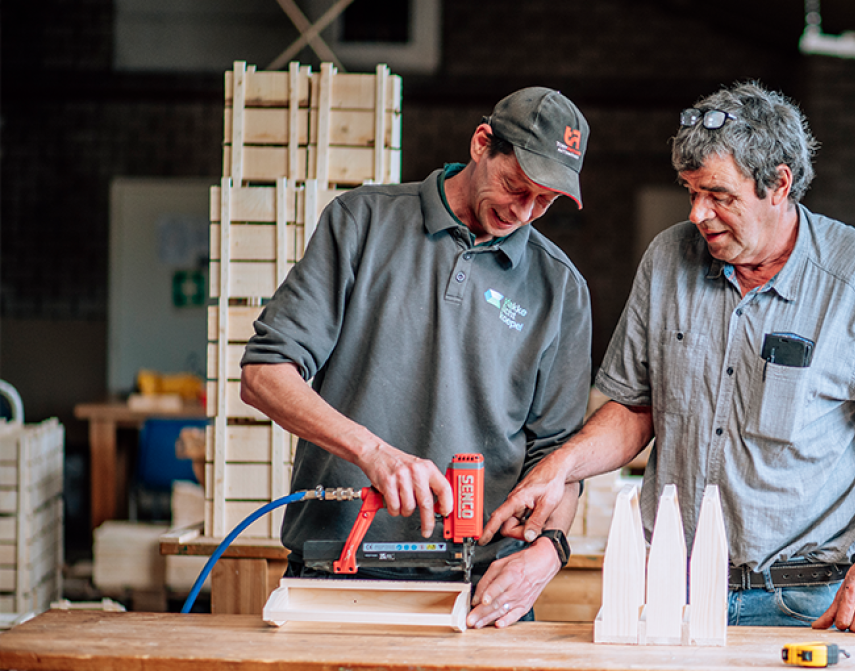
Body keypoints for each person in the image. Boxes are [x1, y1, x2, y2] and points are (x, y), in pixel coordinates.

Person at [485, 82, 855, 634]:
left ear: (778, 184)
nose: (699, 214)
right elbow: (635, 409)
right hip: (669, 591)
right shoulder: (667, 258)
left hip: (801, 601)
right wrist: (560, 466)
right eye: (690, 191)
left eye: (719, 195)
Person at [239, 87, 593, 630]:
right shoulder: (361, 223)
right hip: (336, 572)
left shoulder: (560, 288)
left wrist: (546, 554)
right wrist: (373, 452)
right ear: (481, 144)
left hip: (479, 594)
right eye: (515, 186)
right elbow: (265, 374)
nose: (522, 212)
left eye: (543, 202)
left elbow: (560, 463)